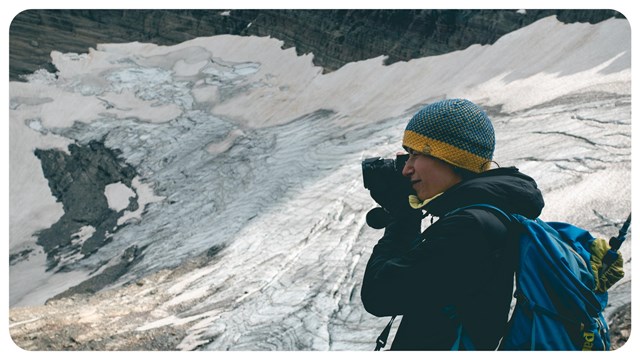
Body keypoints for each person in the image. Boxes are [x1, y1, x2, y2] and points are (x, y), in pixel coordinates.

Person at [361, 98, 545, 350]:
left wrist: (402, 216)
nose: (406, 169)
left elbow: (378, 295)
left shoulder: (470, 228)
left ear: (453, 159)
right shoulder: (487, 215)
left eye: (417, 155)